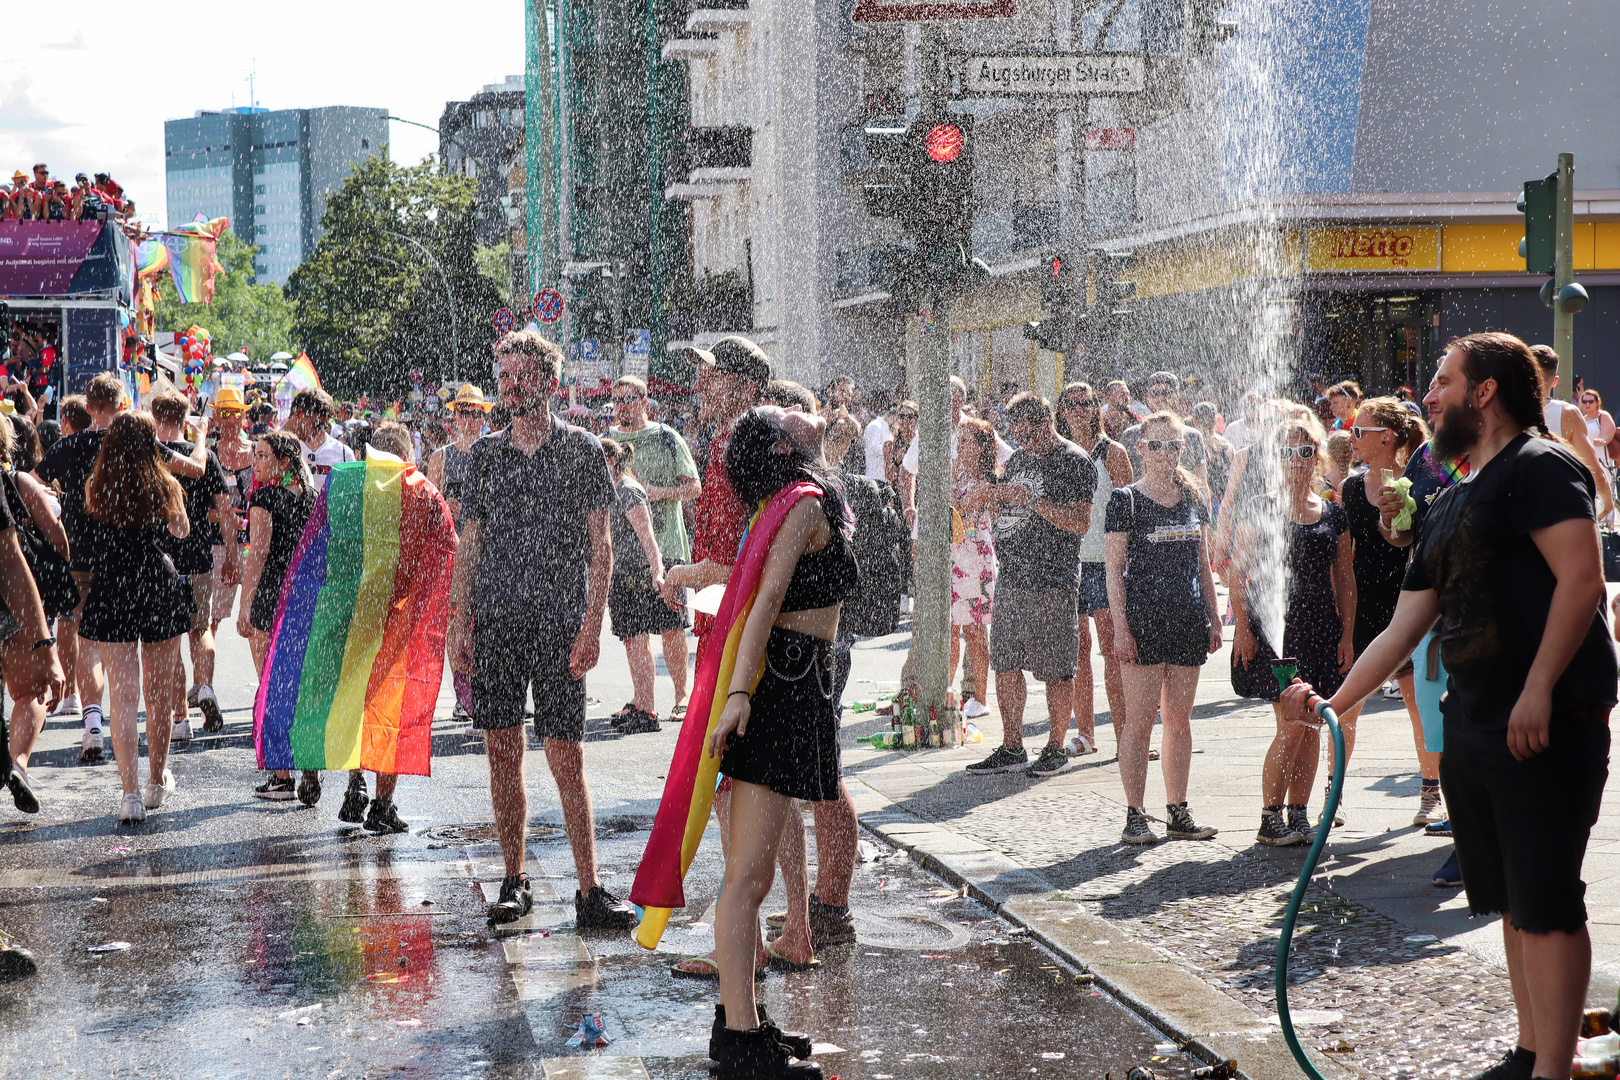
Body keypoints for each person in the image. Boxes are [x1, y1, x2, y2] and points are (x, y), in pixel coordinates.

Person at [1283, 332, 1616, 1080]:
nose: (1426, 397)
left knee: (1549, 896)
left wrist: (1537, 689)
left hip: (1547, 718)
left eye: (1441, 381)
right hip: (1474, 717)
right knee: (1508, 899)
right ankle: (1529, 1051)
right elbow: (1403, 627)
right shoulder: (1452, 496)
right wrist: (1333, 703)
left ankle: (1553, 1071)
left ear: (1486, 391)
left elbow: (1582, 581)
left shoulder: (1543, 465)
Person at [447, 330, 637, 930]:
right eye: (503, 378)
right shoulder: (484, 456)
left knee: (567, 754)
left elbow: (602, 547)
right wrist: (460, 622)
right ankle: (514, 879)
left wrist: (592, 625)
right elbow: (469, 545)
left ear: (549, 383)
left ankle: (590, 888)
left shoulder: (582, 450)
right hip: (498, 622)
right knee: (503, 753)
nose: (510, 388)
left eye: (521, 377)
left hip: (559, 624)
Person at [704, 405, 852, 1080]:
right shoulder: (800, 504)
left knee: (750, 874)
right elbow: (763, 603)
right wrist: (738, 697)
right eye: (783, 413)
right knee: (747, 877)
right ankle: (739, 1039)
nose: (800, 407)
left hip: (796, 680)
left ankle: (745, 1020)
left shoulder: (795, 497)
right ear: (778, 443)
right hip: (782, 684)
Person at [37, 375, 206, 766]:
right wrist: (199, 439)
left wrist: (54, 525)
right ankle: (159, 766)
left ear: (88, 407)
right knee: (155, 681)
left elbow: (34, 482)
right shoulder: (148, 455)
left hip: (87, 563)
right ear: (122, 402)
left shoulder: (80, 458)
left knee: (93, 651)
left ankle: (92, 720)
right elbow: (192, 481)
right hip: (148, 572)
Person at [1230, 414, 1354, 845]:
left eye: (1305, 451)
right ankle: (1270, 815)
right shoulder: (1261, 506)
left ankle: (1299, 813)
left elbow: (1345, 579)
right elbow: (1237, 573)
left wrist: (1348, 635)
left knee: (1313, 726)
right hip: (1277, 634)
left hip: (1323, 629)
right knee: (1289, 724)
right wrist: (1243, 631)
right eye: (1287, 452)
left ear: (1316, 454)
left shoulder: (1333, 512)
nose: (1297, 460)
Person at [1103, 411, 1223, 843]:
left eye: (1172, 445)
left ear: (1182, 448)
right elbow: (1113, 572)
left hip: (1187, 618)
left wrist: (1212, 617)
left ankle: (1177, 809)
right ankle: (1135, 814)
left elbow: (1204, 566)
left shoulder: (1193, 497)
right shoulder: (1125, 500)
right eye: (1156, 445)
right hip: (1142, 621)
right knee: (1138, 723)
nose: (1164, 454)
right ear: (1141, 448)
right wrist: (1121, 630)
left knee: (1179, 722)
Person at [966, 393, 1095, 778]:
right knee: (1004, 662)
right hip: (1013, 576)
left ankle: (1055, 747)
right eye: (1017, 433)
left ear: (1046, 423)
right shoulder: (1021, 458)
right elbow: (1009, 509)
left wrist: (1035, 502)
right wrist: (992, 500)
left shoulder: (1074, 461)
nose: (1023, 440)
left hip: (1053, 579)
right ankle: (1011, 746)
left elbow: (1080, 523)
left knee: (1057, 668)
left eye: (1029, 432)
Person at [78, 412, 196, 826]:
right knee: (158, 691)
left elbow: (91, 530)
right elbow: (181, 531)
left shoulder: (98, 484)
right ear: (151, 442)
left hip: (112, 584)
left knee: (123, 696)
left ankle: (129, 794)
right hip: (155, 580)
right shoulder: (165, 483)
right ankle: (156, 779)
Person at [1339, 397, 1438, 825]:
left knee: (1420, 702)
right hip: (1365, 602)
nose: (1351, 438)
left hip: (1409, 598)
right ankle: (1334, 791)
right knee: (1348, 704)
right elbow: (1346, 556)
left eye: (1359, 431)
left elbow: (1412, 540)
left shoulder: (1417, 478)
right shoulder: (1350, 487)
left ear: (1387, 436)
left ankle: (1431, 791)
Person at [606, 375, 700, 721]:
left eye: (629, 399)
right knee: (632, 630)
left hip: (666, 544)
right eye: (616, 400)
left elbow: (693, 487)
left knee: (671, 626)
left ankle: (681, 695)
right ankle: (642, 699)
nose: (622, 406)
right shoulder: (609, 441)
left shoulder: (666, 436)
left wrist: (654, 492)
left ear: (644, 401)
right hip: (624, 554)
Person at [151, 393, 233, 746]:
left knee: (170, 641)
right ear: (185, 419)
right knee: (201, 629)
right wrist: (233, 553)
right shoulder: (207, 457)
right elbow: (226, 510)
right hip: (198, 554)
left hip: (159, 558)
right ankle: (205, 688)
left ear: (155, 418)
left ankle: (180, 720)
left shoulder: (149, 453)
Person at [1, 412, 72, 815]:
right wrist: (66, 556)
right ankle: (21, 764)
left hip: (12, 597)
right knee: (30, 691)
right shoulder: (19, 480)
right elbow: (47, 534)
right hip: (12, 601)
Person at [1056, 383, 1133, 754]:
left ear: (1096, 409)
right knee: (1078, 653)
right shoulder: (1060, 453)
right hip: (1069, 561)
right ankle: (1086, 733)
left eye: (1084, 404)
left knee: (1112, 650)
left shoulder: (1112, 453)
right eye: (1069, 404)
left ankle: (1125, 734)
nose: (1077, 410)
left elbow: (1132, 509)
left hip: (1105, 562)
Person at [239, 432, 315, 801]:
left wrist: (245, 603)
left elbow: (258, 554)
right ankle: (309, 762)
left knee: (271, 686)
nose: (257, 462)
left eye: (264, 456)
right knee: (300, 685)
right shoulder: (313, 498)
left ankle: (282, 775)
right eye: (255, 455)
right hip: (305, 597)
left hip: (272, 598)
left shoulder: (264, 498)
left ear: (283, 463)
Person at [425, 384, 493, 721]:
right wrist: (447, 511)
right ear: (454, 417)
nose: (470, 418)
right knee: (457, 621)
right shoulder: (442, 456)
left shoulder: (496, 452)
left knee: (491, 621)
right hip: (453, 551)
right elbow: (427, 505)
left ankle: (492, 690)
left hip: (490, 551)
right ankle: (464, 693)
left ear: (484, 416)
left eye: (476, 412)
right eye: (464, 412)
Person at [601, 437, 671, 734]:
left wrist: (658, 571)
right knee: (632, 642)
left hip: (636, 576)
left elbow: (648, 537)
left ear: (613, 461)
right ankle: (640, 700)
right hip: (622, 575)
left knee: (638, 642)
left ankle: (649, 709)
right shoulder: (613, 489)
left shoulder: (628, 491)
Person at [203, 385, 254, 732]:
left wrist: (246, 519)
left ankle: (264, 693)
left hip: (253, 546)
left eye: (238, 413)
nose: (232, 420)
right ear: (217, 416)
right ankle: (206, 691)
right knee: (210, 622)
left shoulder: (259, 451)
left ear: (244, 416)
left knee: (256, 621)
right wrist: (222, 518)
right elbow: (196, 508)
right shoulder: (206, 455)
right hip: (217, 547)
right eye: (226, 413)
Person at [946, 418, 999, 721]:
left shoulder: (983, 480)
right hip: (957, 557)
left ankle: (980, 696)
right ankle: (947, 690)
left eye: (966, 441)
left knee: (975, 630)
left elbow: (957, 510)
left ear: (981, 447)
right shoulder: (962, 475)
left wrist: (951, 481)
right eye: (959, 441)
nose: (960, 447)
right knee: (953, 629)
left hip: (974, 559)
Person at [1119, 373, 1209, 495]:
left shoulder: (1193, 436)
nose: (1161, 398)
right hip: (1142, 506)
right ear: (1148, 398)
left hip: (1182, 504)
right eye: (1155, 393)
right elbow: (1121, 482)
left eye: (1168, 393)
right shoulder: (1131, 435)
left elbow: (1202, 485)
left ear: (1177, 397)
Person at [283, 387, 355, 496]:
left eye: (324, 425)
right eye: (317, 424)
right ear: (298, 414)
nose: (319, 430)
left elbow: (352, 497)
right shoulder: (278, 447)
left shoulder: (344, 453)